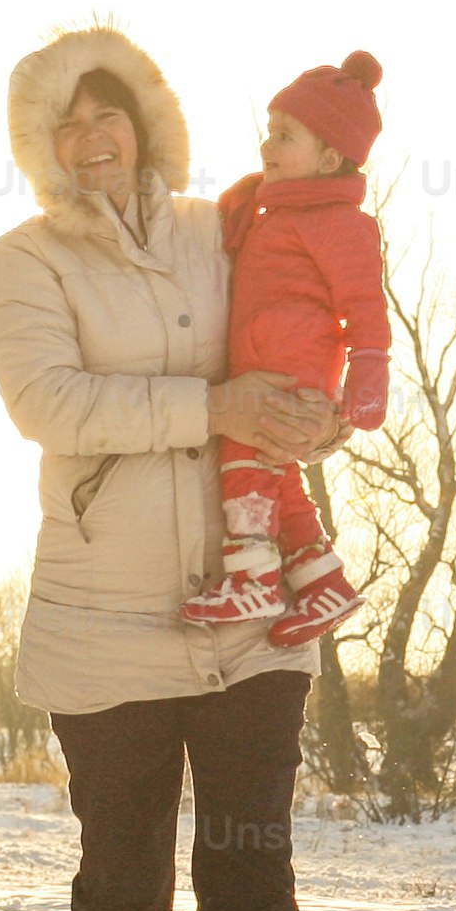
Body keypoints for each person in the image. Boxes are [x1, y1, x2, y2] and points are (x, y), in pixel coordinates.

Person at [0, 25, 346, 911]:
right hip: (108, 613)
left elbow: (290, 325)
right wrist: (213, 407)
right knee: (124, 862)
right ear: (42, 145)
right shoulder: (27, 259)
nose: (94, 139)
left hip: (253, 598)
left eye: (110, 113)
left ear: (145, 122)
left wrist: (313, 408)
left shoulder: (221, 228)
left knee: (249, 850)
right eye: (69, 123)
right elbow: (48, 402)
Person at [184, 51, 393, 643]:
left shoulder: (342, 223)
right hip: (264, 361)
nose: (266, 145)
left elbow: (366, 308)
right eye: (267, 131)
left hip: (290, 370)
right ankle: (323, 583)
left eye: (284, 135)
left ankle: (253, 578)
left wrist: (367, 376)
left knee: (244, 463)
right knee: (281, 477)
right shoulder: (273, 209)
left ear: (329, 157)